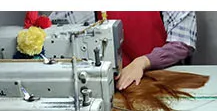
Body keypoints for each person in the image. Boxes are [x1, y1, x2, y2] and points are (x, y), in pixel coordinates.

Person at [50, 11, 198, 90]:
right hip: (112, 84)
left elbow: (182, 44)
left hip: (160, 79)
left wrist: (143, 62)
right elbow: (53, 34)